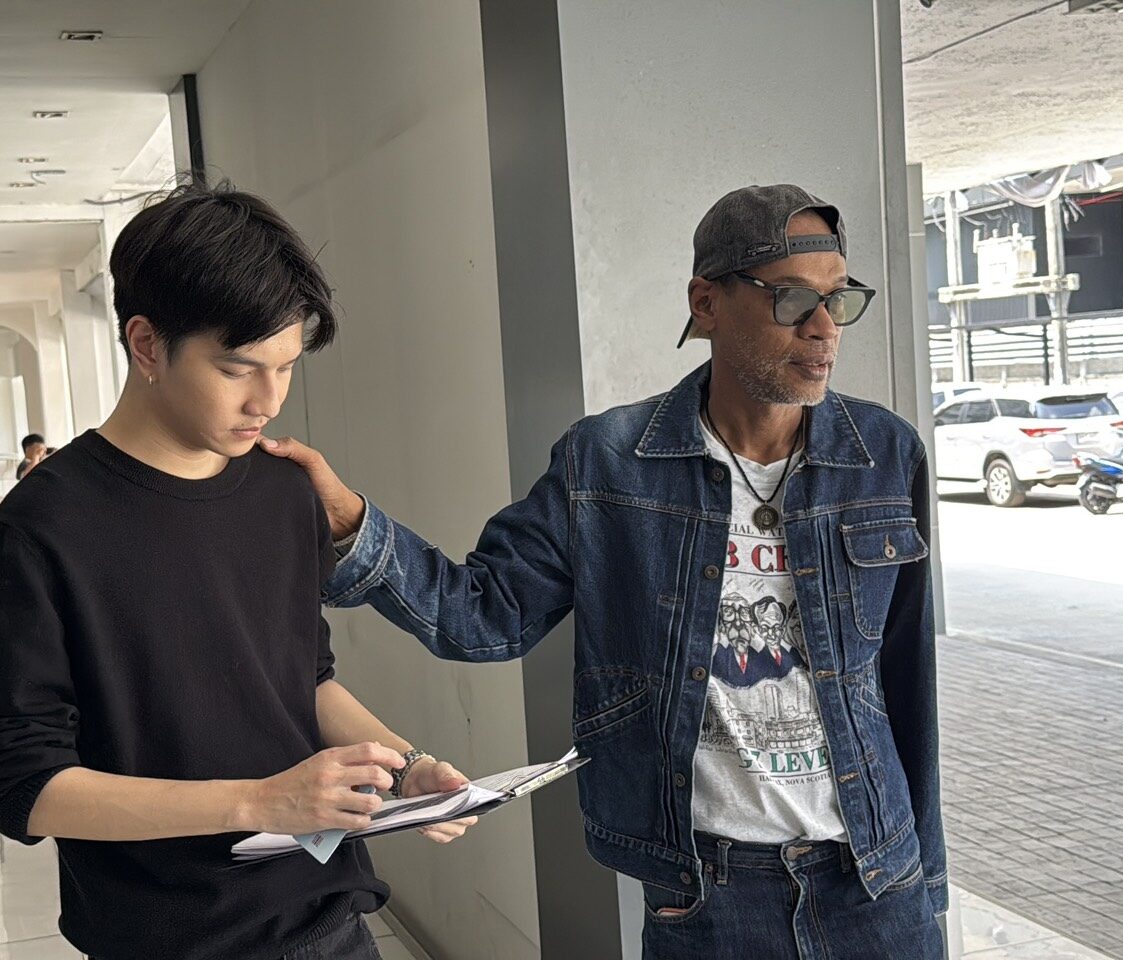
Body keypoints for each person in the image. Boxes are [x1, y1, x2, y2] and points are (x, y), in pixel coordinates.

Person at [265, 185, 946, 959]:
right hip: (710, 898)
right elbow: (484, 615)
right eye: (793, 300)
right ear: (707, 302)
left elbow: (905, 683)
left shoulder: (883, 454)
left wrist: (928, 886)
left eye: (838, 300)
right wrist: (349, 521)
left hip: (876, 882)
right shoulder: (609, 463)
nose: (824, 328)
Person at [0, 181, 477, 960]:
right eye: (238, 369)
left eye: (287, 367)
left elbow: (303, 681)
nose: (268, 400)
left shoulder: (284, 493)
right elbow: (19, 787)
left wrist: (406, 770)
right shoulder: (39, 533)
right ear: (146, 345)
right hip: (171, 941)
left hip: (333, 922)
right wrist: (259, 802)